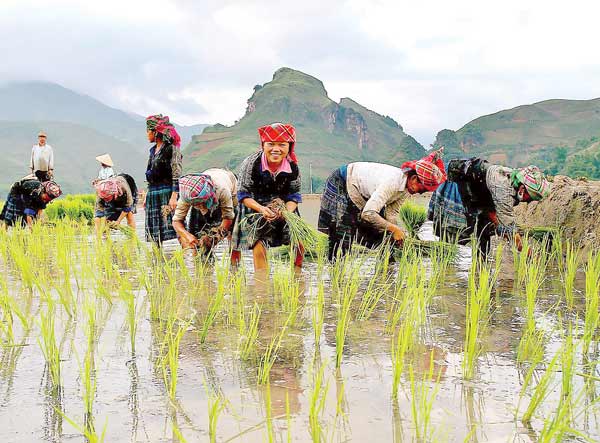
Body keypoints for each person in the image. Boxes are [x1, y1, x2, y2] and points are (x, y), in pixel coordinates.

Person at [318, 148, 446, 260]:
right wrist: (394, 229)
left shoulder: (407, 190)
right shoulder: (393, 181)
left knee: (387, 238)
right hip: (343, 181)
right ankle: (335, 278)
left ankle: (385, 271)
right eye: (422, 189)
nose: (420, 193)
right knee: (341, 238)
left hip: (363, 197)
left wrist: (398, 233)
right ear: (414, 179)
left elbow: (391, 214)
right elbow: (368, 214)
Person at [427, 158, 550, 255]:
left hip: (479, 195)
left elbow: (495, 216)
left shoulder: (512, 181)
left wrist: (501, 226)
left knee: (485, 229)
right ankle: (444, 264)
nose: (528, 202)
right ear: (523, 189)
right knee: (452, 232)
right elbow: (509, 229)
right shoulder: (503, 188)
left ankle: (480, 266)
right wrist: (528, 253)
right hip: (461, 183)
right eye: (530, 198)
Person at [230, 123, 303, 270]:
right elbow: (243, 194)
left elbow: (294, 195)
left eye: (282, 144)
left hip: (283, 207)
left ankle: (297, 278)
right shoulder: (251, 163)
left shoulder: (293, 167)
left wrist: (286, 213)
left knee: (299, 245)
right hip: (254, 206)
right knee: (258, 245)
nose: (276, 149)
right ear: (263, 145)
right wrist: (262, 209)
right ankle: (258, 285)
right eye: (271, 144)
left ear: (289, 147)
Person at [172, 170, 238, 255]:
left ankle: (234, 266)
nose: (200, 206)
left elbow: (228, 219)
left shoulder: (222, 190)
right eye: (195, 204)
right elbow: (176, 221)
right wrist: (188, 236)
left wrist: (213, 239)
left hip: (230, 193)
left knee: (234, 236)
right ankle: (200, 265)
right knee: (198, 242)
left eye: (200, 203)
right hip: (205, 193)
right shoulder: (187, 195)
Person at [143, 114, 182, 245]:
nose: (146, 133)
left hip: (167, 192)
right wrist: (147, 194)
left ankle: (188, 259)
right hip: (153, 193)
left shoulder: (171, 148)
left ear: (155, 132)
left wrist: (174, 196)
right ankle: (157, 262)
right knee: (155, 234)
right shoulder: (152, 151)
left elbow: (177, 172)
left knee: (177, 228)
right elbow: (150, 174)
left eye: (148, 130)